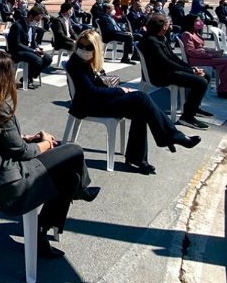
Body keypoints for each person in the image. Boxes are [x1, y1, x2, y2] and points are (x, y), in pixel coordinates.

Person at [0, 51, 98, 257]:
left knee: (71, 174)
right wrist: (43, 143)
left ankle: (41, 230)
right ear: (2, 78)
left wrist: (28, 137)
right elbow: (22, 152)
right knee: (74, 150)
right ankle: (80, 191)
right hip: (12, 184)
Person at [66, 30, 201, 175]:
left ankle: (138, 158)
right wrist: (121, 91)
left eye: (89, 47)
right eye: (81, 45)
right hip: (88, 106)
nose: (84, 49)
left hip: (98, 100)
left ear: (96, 48)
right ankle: (172, 136)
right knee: (141, 98)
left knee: (141, 109)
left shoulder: (90, 61)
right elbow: (90, 92)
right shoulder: (76, 63)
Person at [137, 14, 212, 130]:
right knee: (201, 82)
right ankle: (187, 117)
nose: (170, 26)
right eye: (168, 24)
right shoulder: (150, 41)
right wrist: (190, 71)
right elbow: (165, 62)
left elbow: (173, 57)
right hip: (159, 75)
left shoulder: (161, 38)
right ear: (163, 27)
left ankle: (193, 107)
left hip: (168, 71)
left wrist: (191, 68)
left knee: (205, 75)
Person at [180, 14, 227, 100]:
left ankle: (225, 88)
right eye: (197, 21)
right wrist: (212, 55)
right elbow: (191, 51)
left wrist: (213, 51)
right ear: (190, 23)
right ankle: (224, 90)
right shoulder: (187, 34)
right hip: (196, 60)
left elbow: (200, 48)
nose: (200, 22)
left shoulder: (195, 33)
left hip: (201, 57)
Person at [6, 6, 53, 89]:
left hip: (29, 50)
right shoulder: (17, 26)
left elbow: (33, 41)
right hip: (17, 51)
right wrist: (33, 51)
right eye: (37, 19)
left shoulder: (32, 26)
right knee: (38, 61)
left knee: (48, 59)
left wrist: (37, 49)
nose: (38, 22)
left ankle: (29, 77)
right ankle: (27, 78)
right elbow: (17, 44)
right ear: (30, 16)